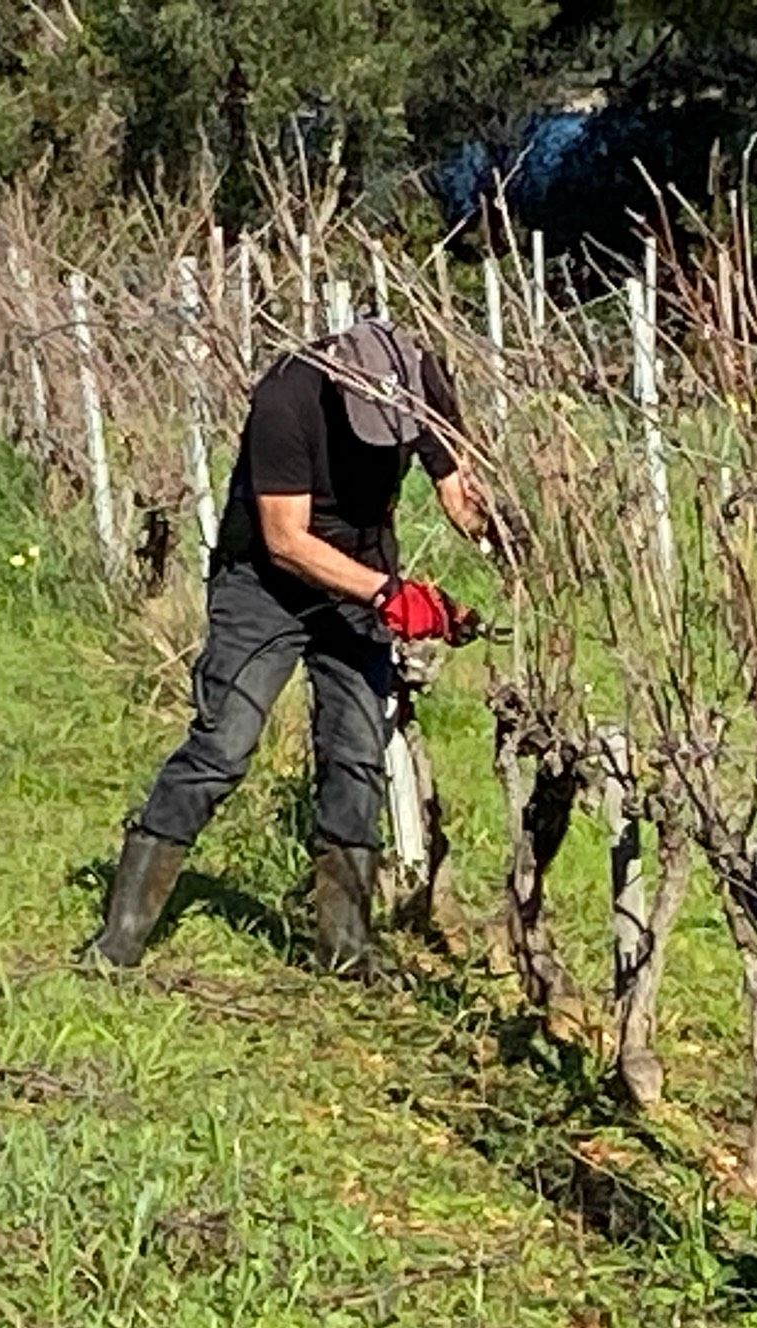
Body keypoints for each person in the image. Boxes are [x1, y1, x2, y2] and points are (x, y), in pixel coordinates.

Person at [91, 318, 494, 974]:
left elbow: (457, 487)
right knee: (223, 746)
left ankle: (344, 949)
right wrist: (391, 596)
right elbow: (287, 539)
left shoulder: (422, 377)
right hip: (265, 584)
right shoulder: (286, 395)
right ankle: (119, 939)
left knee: (358, 751)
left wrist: (502, 545)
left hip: (362, 575)